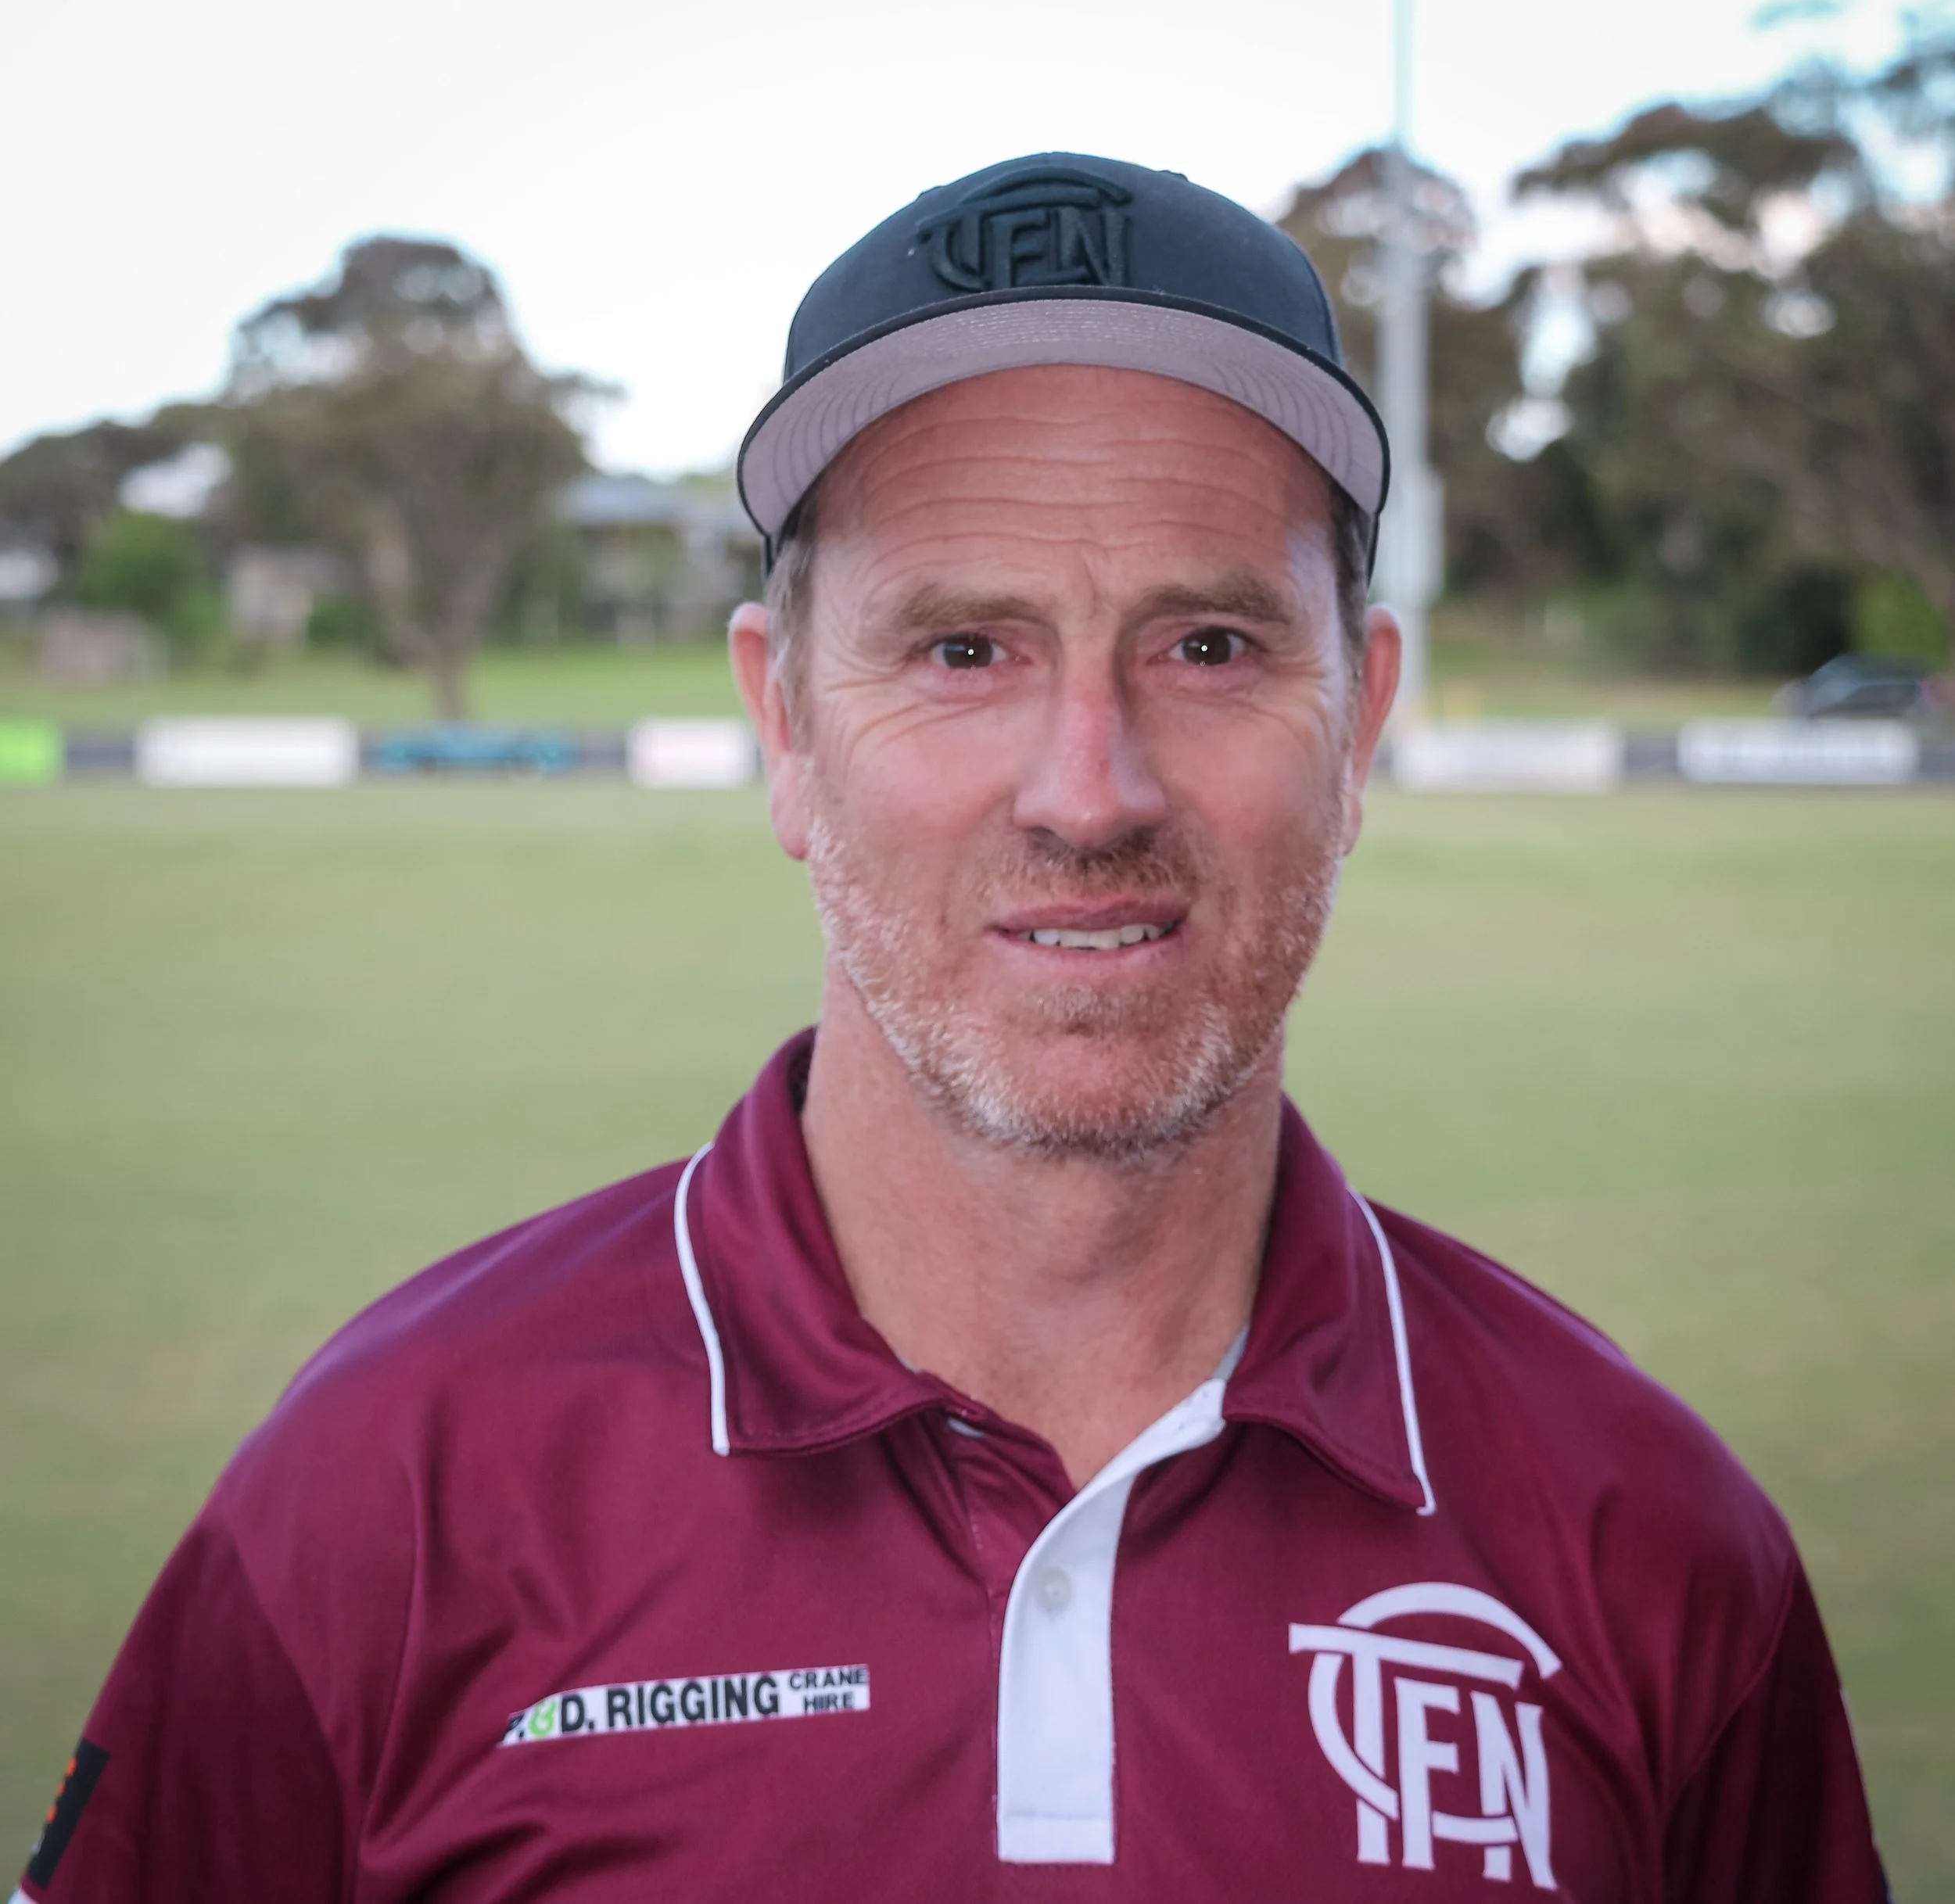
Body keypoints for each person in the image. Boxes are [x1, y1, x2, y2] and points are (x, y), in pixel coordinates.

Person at [19, 154, 1885, 1903]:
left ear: (1359, 717)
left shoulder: (1651, 1544)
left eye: (1210, 645)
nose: (1089, 789)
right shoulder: (382, 1495)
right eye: (962, 648)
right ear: (785, 728)